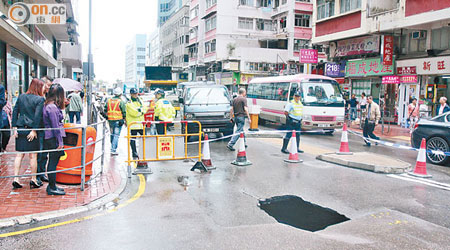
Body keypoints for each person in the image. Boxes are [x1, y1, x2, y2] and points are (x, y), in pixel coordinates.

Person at [11, 79, 45, 189]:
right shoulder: (40, 99)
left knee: (19, 155)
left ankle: (16, 178)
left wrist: (15, 127)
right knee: (33, 156)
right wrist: (34, 130)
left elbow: (15, 111)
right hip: (31, 130)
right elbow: (37, 116)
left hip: (20, 129)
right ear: (38, 87)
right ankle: (33, 179)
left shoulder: (21, 97)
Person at [42, 84, 66, 195]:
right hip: (53, 138)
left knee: (53, 161)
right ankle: (52, 187)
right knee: (53, 162)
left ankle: (53, 186)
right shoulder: (52, 108)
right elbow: (55, 126)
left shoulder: (49, 105)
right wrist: (60, 142)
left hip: (51, 137)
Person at [125, 88, 147, 160]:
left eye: (136, 93)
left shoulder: (140, 100)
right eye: (134, 94)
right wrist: (141, 111)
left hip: (141, 124)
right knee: (133, 140)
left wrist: (140, 111)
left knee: (145, 139)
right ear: (131, 94)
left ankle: (144, 152)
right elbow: (134, 113)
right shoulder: (129, 103)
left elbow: (145, 108)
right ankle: (134, 153)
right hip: (133, 125)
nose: (135, 95)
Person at [105, 87, 126, 155]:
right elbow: (124, 112)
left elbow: (105, 109)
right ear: (120, 94)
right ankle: (113, 149)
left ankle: (112, 147)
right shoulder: (120, 102)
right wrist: (125, 121)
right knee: (116, 135)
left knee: (112, 134)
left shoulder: (109, 101)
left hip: (110, 121)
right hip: (118, 121)